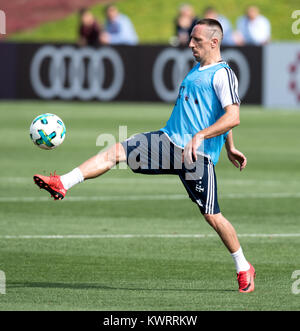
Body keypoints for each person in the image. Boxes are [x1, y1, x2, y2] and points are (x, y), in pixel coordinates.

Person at [33, 18, 256, 293]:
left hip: (195, 157)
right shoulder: (198, 69)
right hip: (168, 141)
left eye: (196, 40)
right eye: (190, 39)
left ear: (214, 42)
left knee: (212, 216)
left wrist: (207, 139)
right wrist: (230, 146)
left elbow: (232, 115)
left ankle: (243, 265)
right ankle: (63, 183)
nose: (189, 44)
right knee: (117, 151)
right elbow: (220, 113)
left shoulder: (223, 74)